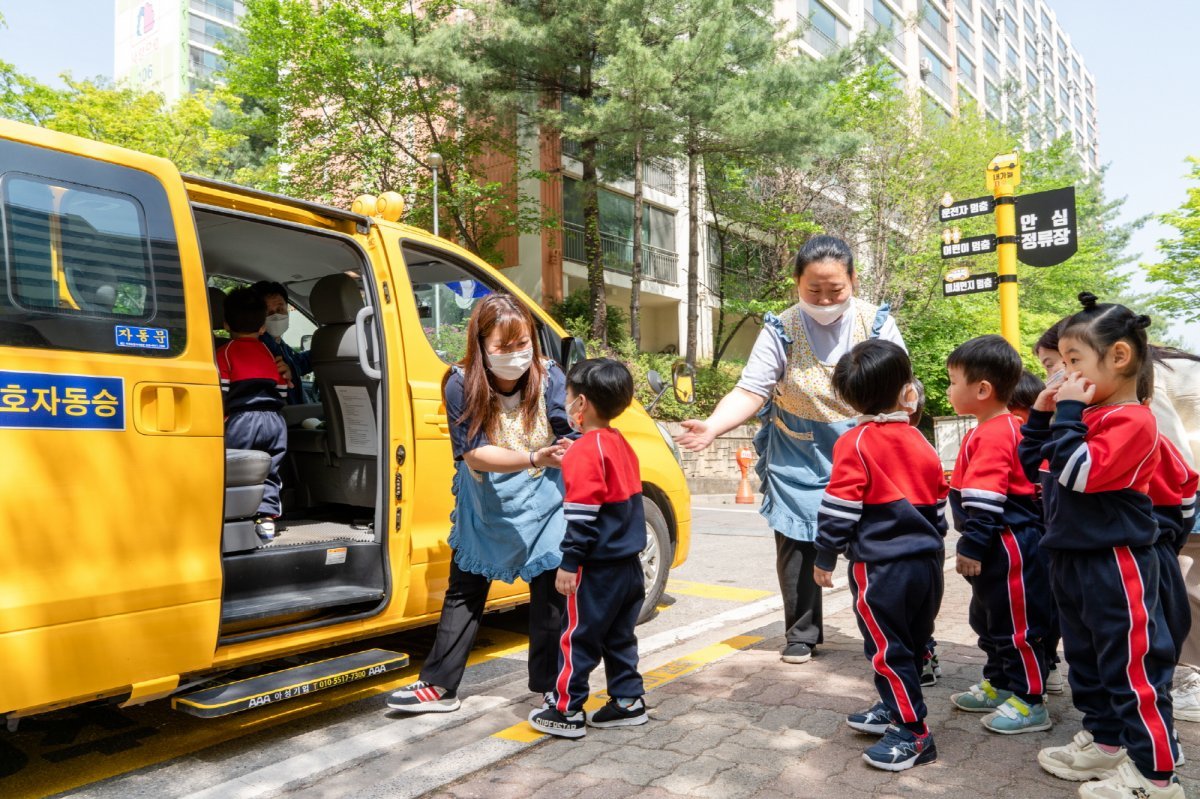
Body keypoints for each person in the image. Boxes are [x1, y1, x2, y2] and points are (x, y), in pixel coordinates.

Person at [676, 235, 904, 665]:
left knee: (871, 540)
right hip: (798, 448)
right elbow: (751, 389)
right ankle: (801, 632)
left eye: (834, 290)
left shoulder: (876, 324)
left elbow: (899, 386)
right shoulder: (781, 327)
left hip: (864, 443)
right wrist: (712, 426)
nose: (823, 299)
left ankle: (884, 631)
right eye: (812, 290)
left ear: (853, 280)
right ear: (796, 283)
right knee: (797, 543)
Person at [1020, 293, 1181, 798]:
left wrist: (1066, 412)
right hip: (1072, 558)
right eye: (1060, 364)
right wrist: (1044, 417)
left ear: (1118, 357)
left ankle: (1156, 777)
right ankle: (1107, 744)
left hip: (1116, 562)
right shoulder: (1083, 418)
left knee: (1131, 668)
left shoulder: (1133, 420)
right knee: (1086, 660)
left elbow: (1080, 474)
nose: (1060, 376)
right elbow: (1034, 468)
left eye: (1072, 363)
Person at [386, 294, 574, 714]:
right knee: (465, 591)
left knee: (550, 595)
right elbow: (473, 452)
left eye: (522, 343)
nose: (516, 355)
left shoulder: (550, 376)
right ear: (481, 345)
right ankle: (439, 687)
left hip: (546, 498)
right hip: (486, 500)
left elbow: (565, 428)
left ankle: (552, 689)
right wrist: (532, 456)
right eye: (503, 348)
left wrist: (571, 447)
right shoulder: (459, 381)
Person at [812, 340, 946, 771]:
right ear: (907, 389)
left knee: (887, 650)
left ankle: (913, 732)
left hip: (881, 567)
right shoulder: (920, 439)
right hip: (927, 563)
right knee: (912, 639)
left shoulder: (855, 442)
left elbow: (839, 508)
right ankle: (894, 708)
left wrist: (824, 556)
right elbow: (939, 501)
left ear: (848, 397)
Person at [528, 358, 648, 738]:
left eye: (566, 395)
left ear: (580, 404)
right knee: (619, 637)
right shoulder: (618, 442)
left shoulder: (584, 452)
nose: (563, 402)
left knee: (577, 637)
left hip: (597, 569)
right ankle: (629, 701)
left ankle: (566, 710)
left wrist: (569, 563)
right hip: (629, 566)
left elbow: (582, 517)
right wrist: (578, 448)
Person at [944, 335, 1052, 736]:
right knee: (988, 619)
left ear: (983, 389)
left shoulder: (997, 431)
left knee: (1016, 625)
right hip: (996, 545)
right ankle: (1002, 683)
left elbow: (987, 498)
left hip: (1007, 545)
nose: (949, 390)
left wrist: (971, 545)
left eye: (953, 381)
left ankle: (1030, 700)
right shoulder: (984, 429)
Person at [1009, 367, 1065, 695]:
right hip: (1037, 534)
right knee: (1041, 605)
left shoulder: (1048, 436)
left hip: (1043, 536)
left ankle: (1047, 666)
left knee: (1046, 607)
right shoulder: (1027, 435)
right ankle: (1046, 664)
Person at [217, 288, 289, 542]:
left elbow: (221, 392)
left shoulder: (225, 352)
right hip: (274, 421)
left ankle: (234, 516)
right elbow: (281, 389)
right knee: (270, 469)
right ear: (262, 328)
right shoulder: (268, 352)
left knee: (234, 469)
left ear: (226, 325)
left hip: (242, 419)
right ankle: (266, 518)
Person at [251, 280, 312, 405]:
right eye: (268, 312)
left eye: (280, 309)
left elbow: (298, 363)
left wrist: (328, 349)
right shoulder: (260, 347)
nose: (276, 316)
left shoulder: (279, 344)